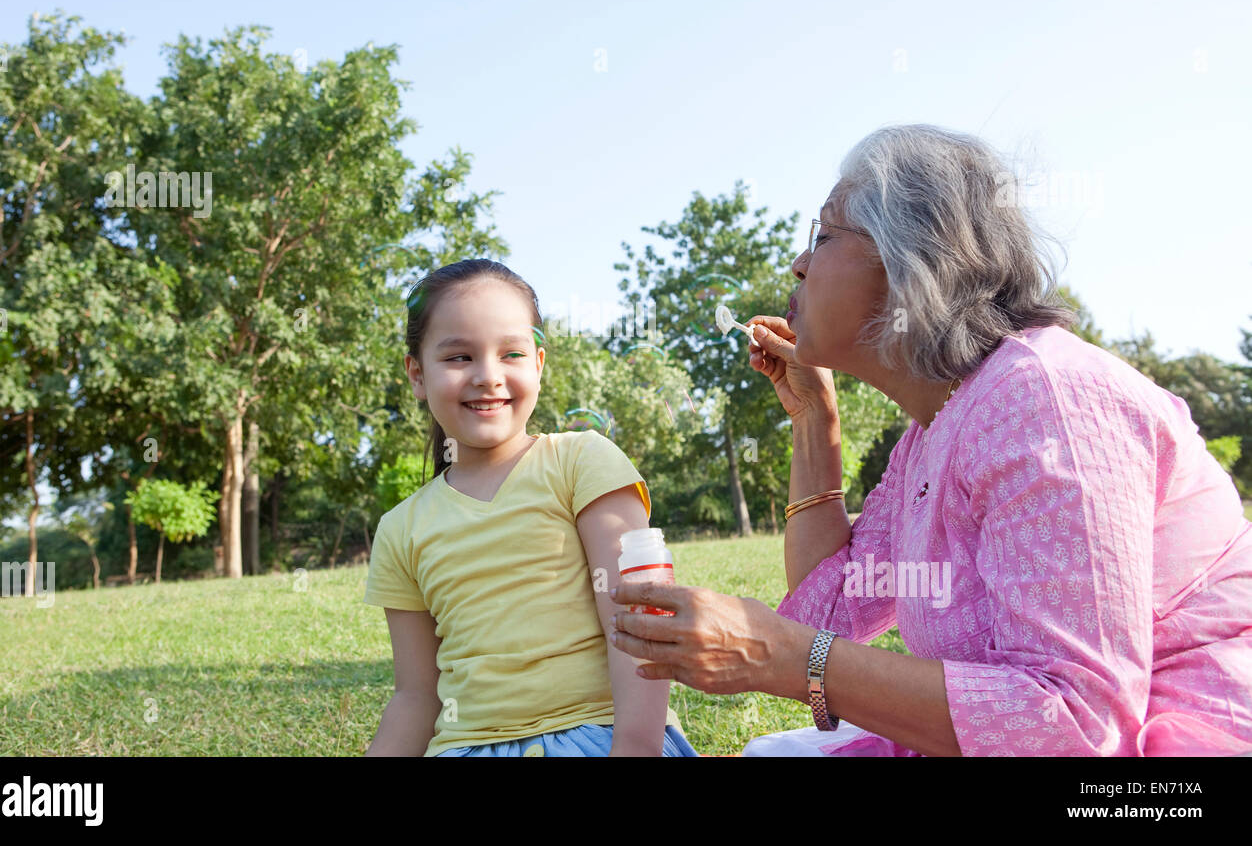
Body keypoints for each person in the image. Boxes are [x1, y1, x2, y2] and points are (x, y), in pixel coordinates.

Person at [609, 124, 1252, 756]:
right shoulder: (936, 429)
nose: (800, 263)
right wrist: (813, 422)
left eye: (824, 235)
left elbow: (1075, 725)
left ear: (910, 261)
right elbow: (827, 613)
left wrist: (784, 658)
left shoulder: (1044, 398)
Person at [363, 258, 697, 757]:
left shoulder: (583, 462)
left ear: (538, 364)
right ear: (417, 374)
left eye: (511, 354)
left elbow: (638, 624)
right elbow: (415, 696)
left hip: (601, 736)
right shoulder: (400, 529)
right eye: (458, 357)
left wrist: (635, 748)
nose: (487, 377)